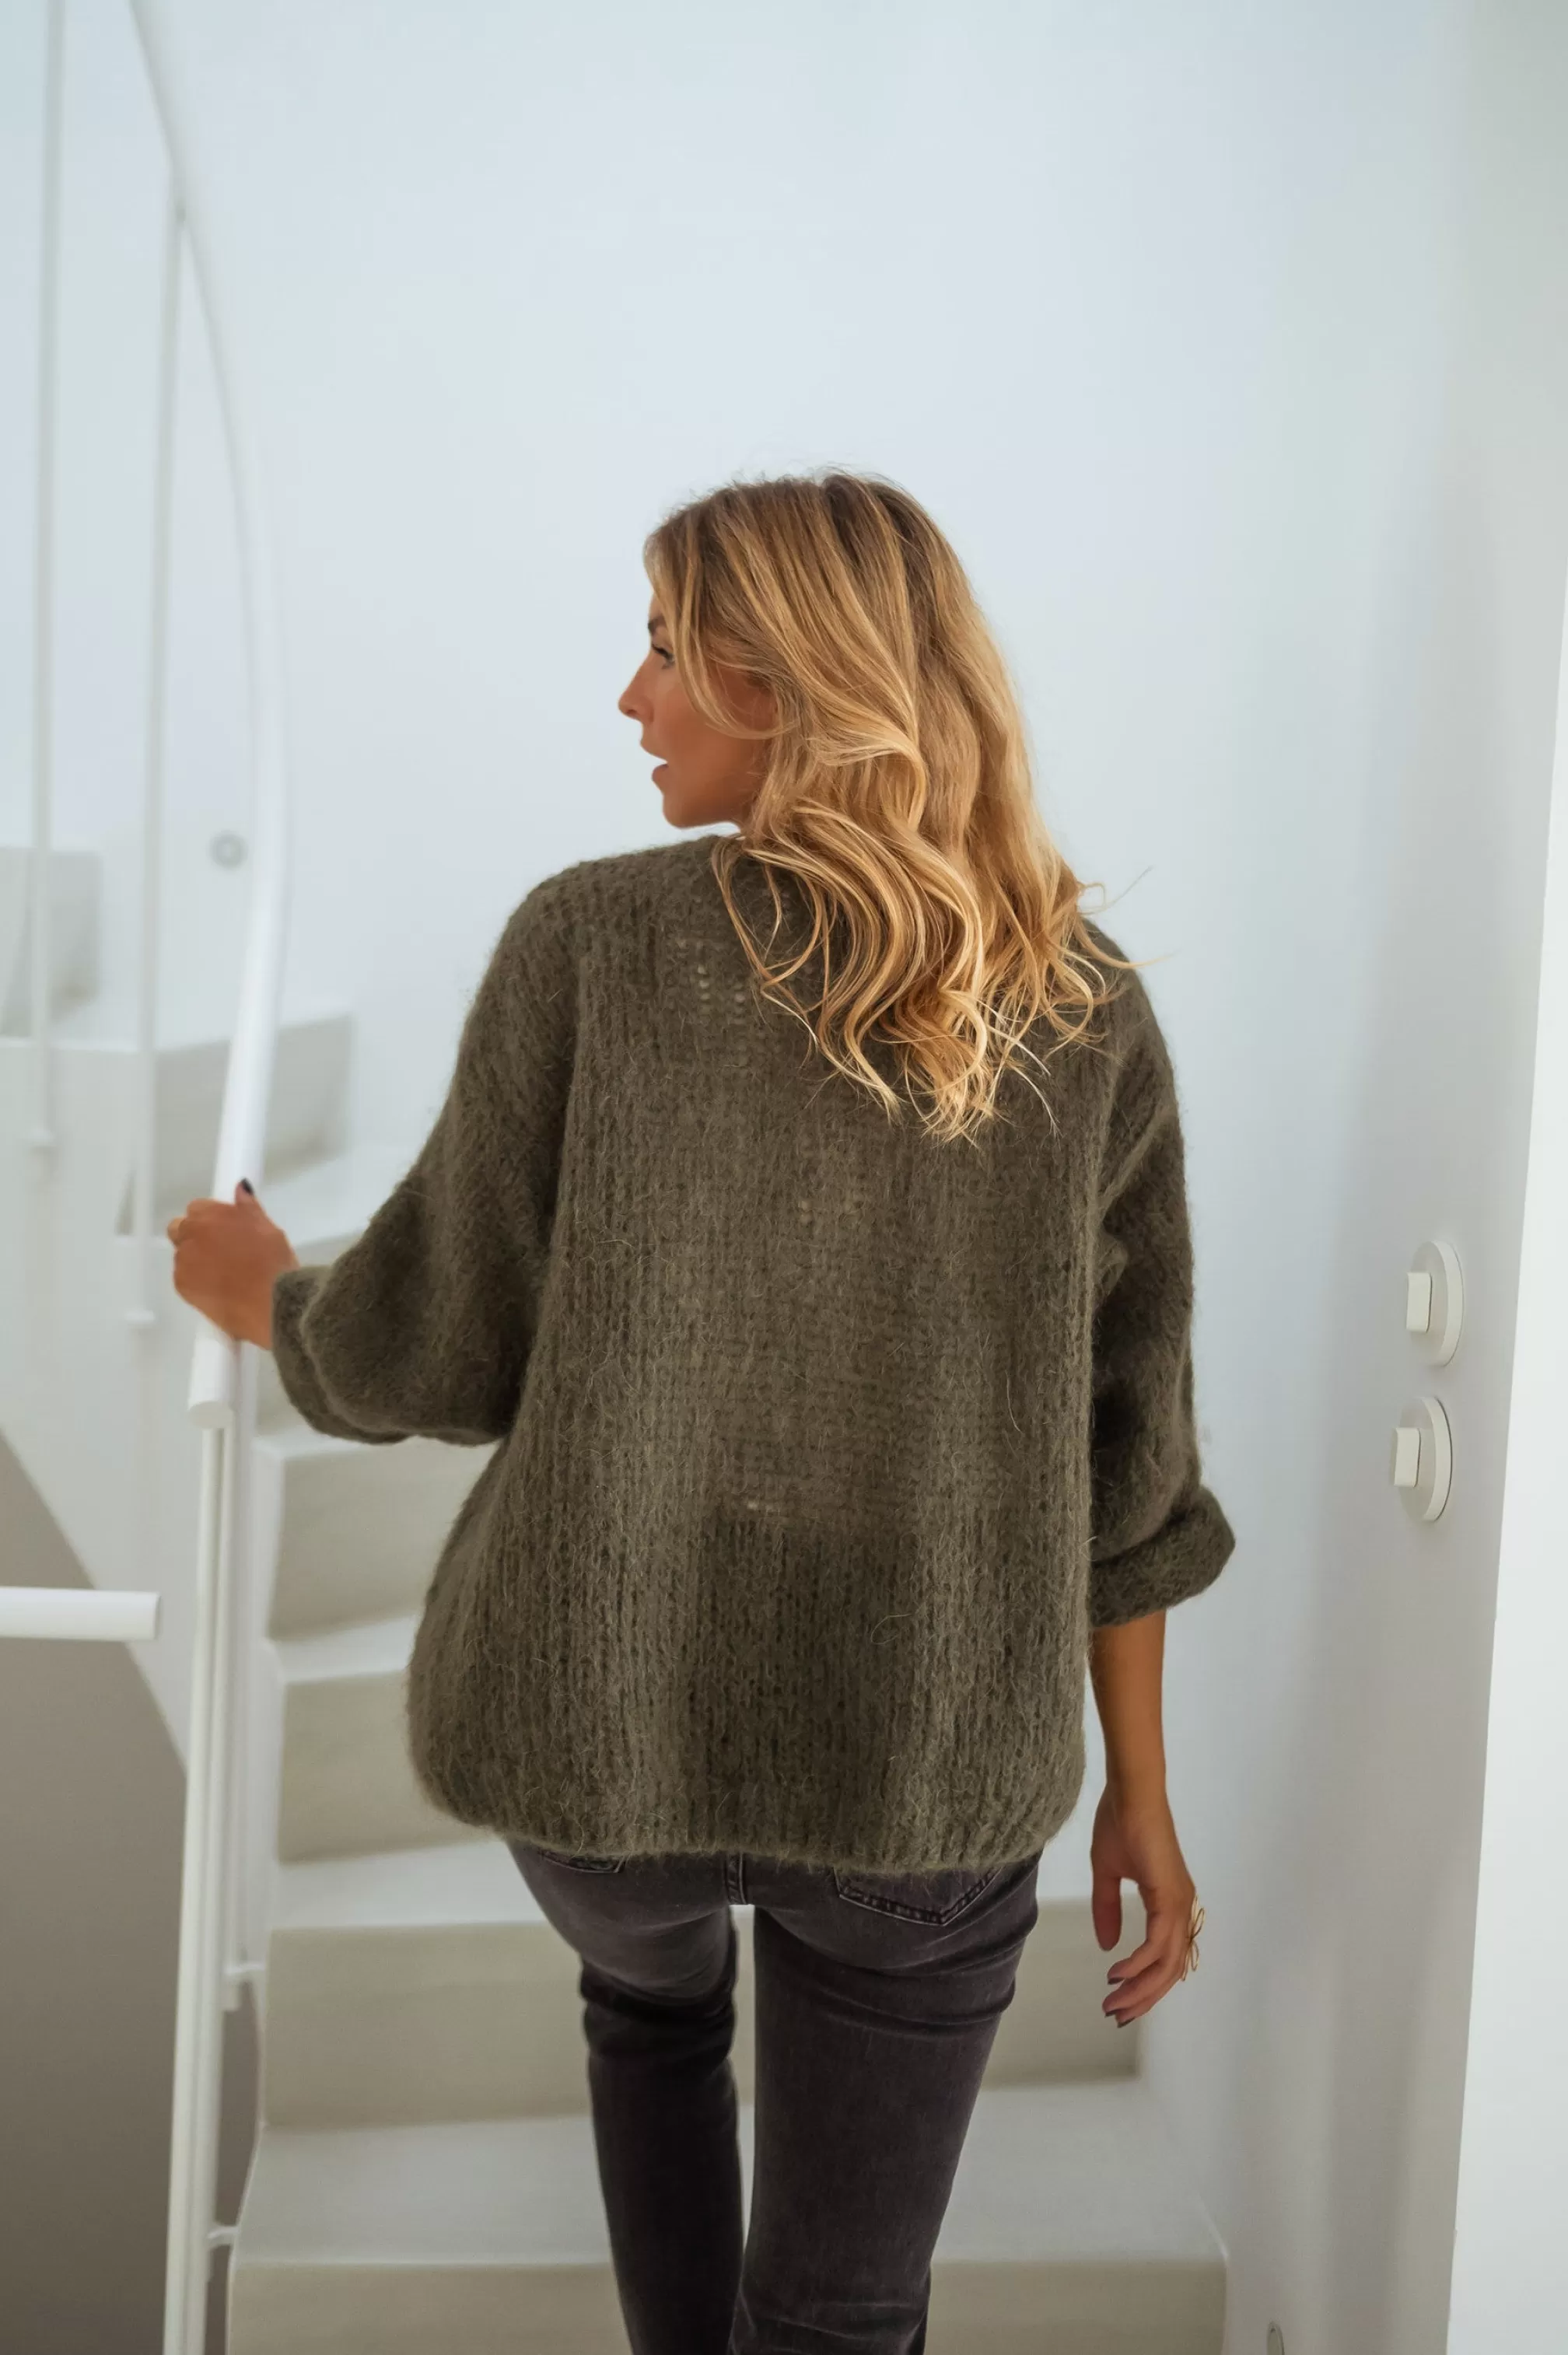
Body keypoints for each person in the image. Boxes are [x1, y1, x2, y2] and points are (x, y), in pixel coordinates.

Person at [168, 468, 1236, 2355]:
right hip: (925, 1769)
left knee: (649, 2009)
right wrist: (1140, 1790)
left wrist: (273, 1298)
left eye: (665, 649)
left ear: (781, 679)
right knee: (841, 2318)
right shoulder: (1080, 1005)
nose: (630, 693)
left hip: (605, 1753)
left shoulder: (590, 943)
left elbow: (428, 1345)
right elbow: (1128, 1460)